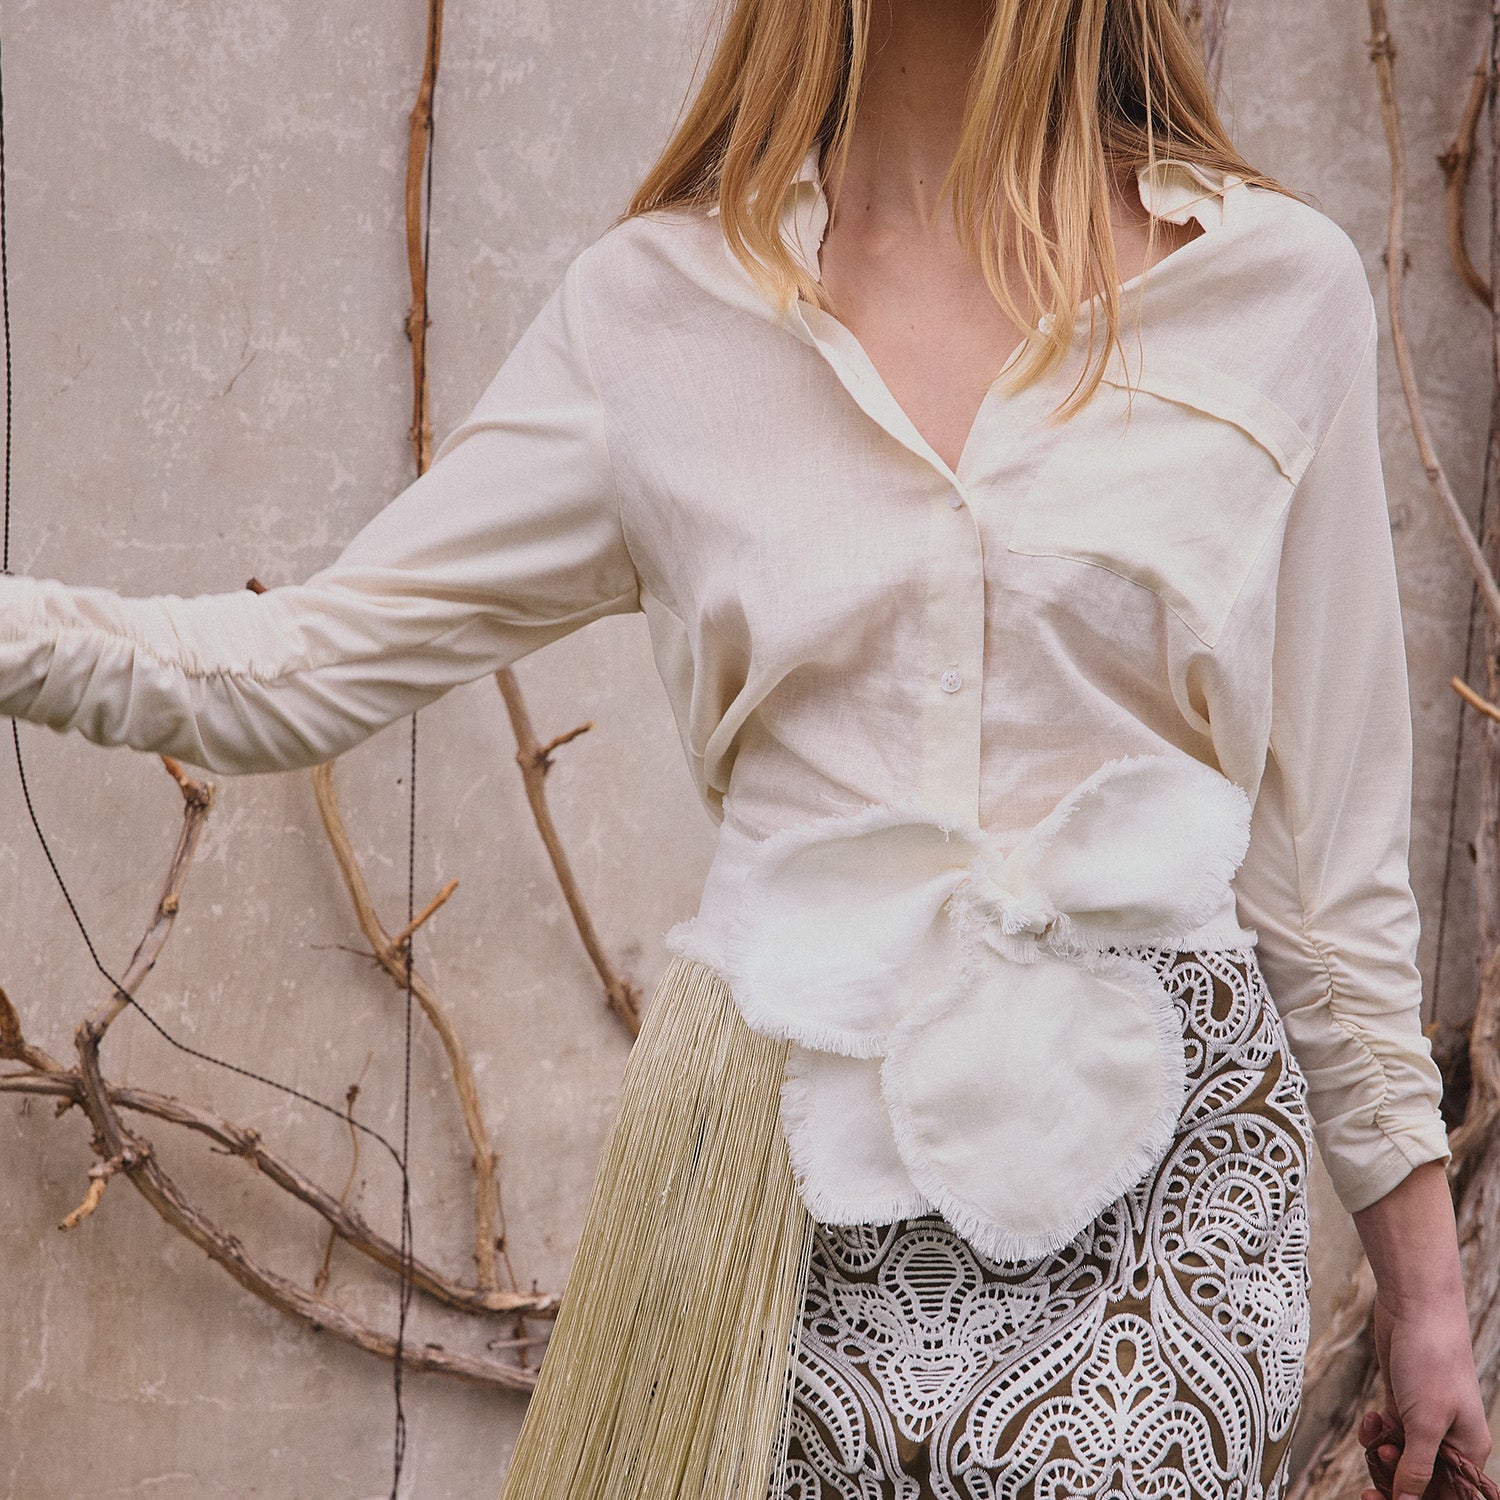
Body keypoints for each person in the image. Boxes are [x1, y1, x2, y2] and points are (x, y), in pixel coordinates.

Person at [1, 0, 1490, 1497]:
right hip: (773, 1173)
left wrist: (1425, 1301)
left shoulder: (1271, 287)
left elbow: (1326, 866)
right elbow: (297, 669)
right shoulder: (654, 313)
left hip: (1158, 1174)